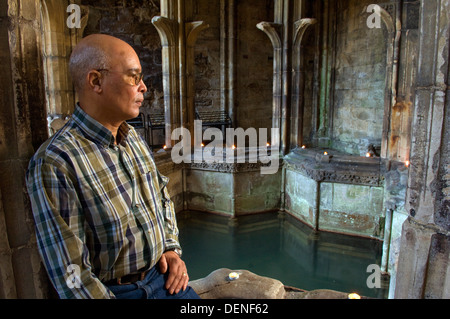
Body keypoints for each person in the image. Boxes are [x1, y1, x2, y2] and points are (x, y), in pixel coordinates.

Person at [26, 34, 200, 299]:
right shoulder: (56, 162)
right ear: (96, 81)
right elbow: (73, 275)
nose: (143, 87)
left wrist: (171, 249)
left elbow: (162, 197)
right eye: (134, 77)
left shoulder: (133, 139)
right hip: (116, 292)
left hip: (163, 278)